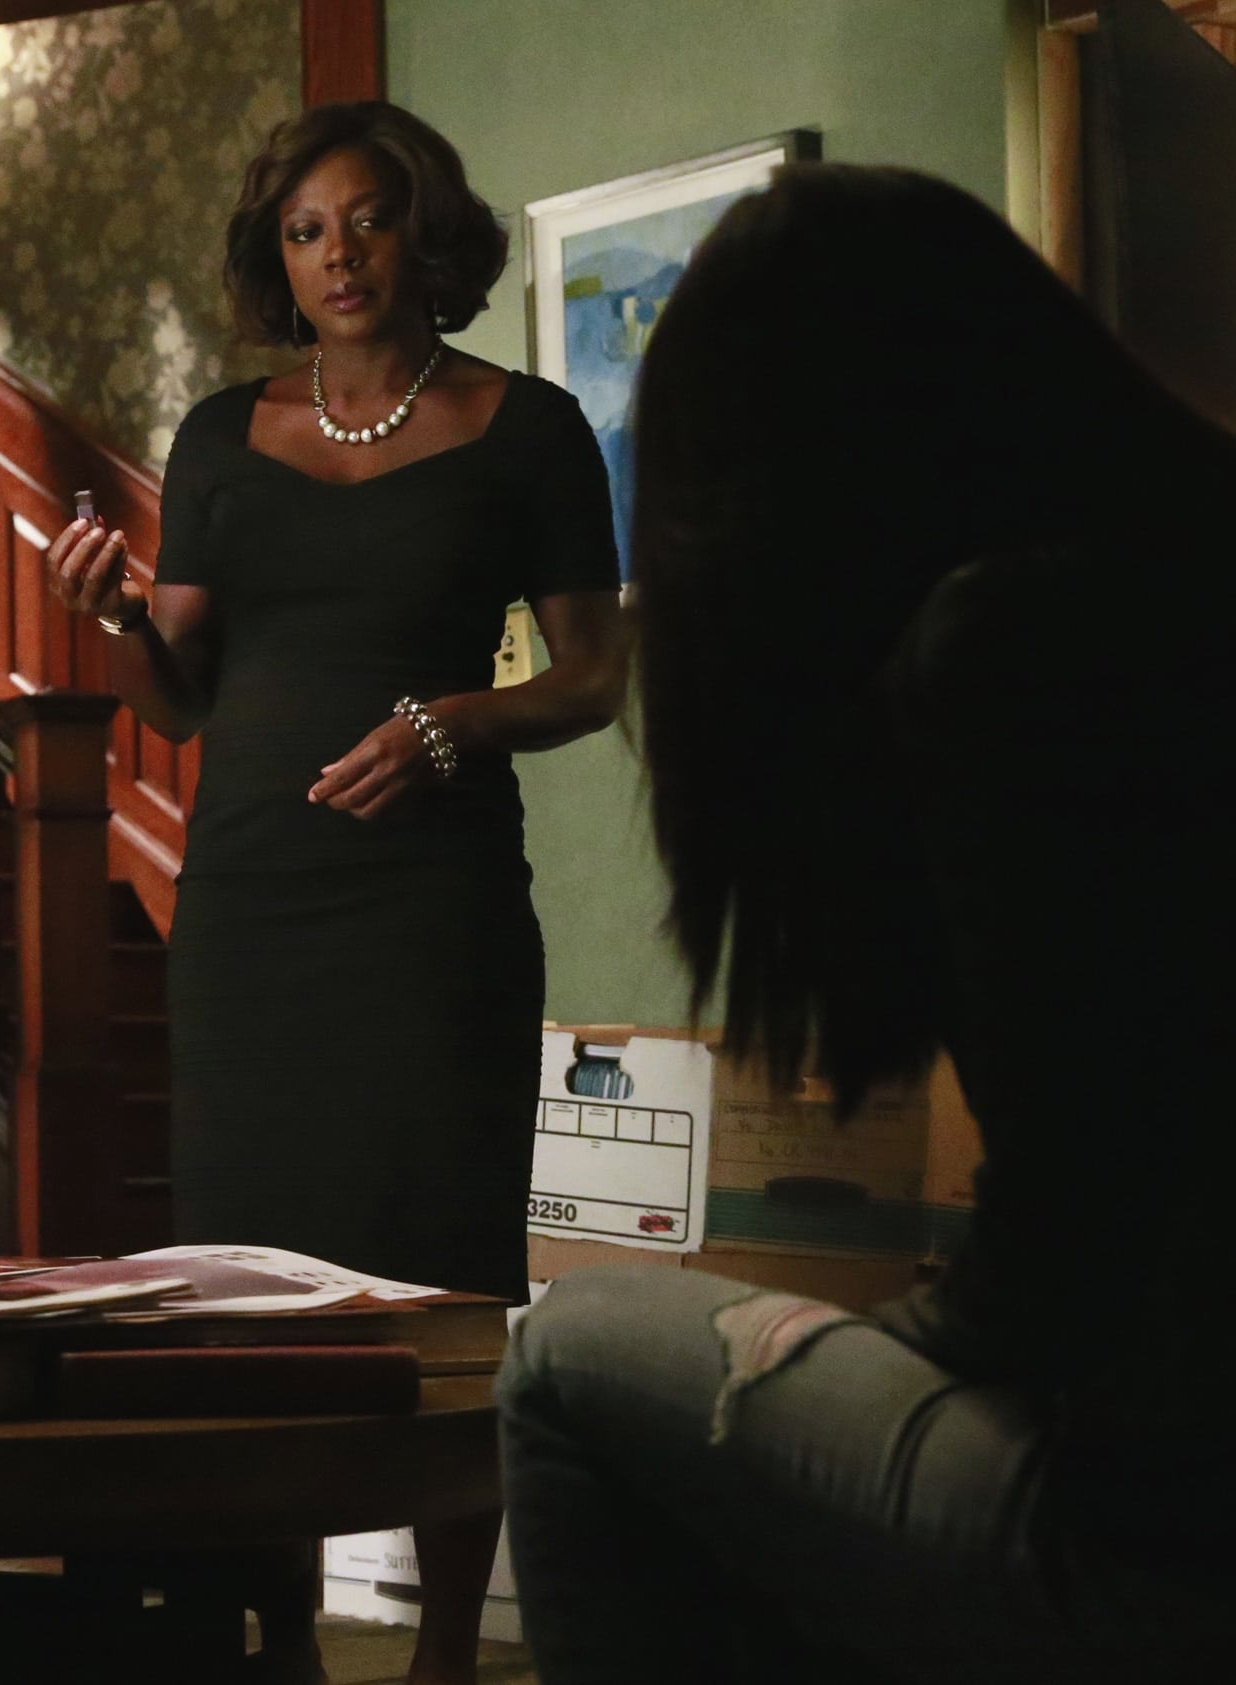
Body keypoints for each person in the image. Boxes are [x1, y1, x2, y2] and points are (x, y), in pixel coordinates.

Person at [497, 165, 1228, 1684]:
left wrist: (890, 1344)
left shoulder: (1016, 647)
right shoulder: (1174, 561)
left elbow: (1082, 1233)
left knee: (566, 1354)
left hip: (1174, 1547)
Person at [44, 102, 626, 1685]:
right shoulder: (220, 436)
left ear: (424, 230)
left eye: (367, 219)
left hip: (433, 911)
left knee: (443, 1280)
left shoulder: (527, 428)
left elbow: (594, 674)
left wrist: (454, 723)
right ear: (278, 261)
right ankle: (283, 1633)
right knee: (252, 1292)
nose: (340, 254)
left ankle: (444, 1651)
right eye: (306, 232)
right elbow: (178, 699)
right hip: (249, 914)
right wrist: (115, 619)